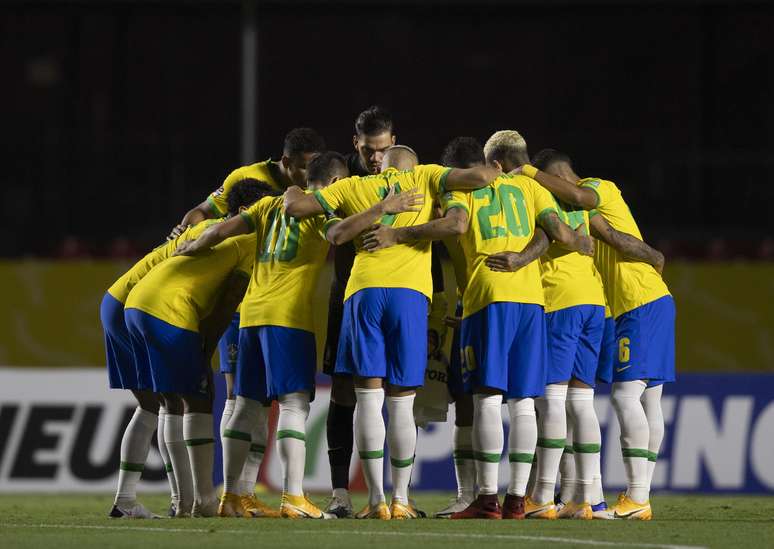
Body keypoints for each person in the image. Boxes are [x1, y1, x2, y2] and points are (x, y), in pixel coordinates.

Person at [178, 151, 422, 519]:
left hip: (251, 317)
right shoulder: (320, 212)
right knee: (293, 405)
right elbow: (340, 234)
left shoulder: (267, 206)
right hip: (288, 319)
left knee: (245, 406)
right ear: (337, 184)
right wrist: (381, 209)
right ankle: (293, 496)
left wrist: (191, 245)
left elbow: (219, 229)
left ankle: (230, 495)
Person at [361, 131, 592, 520]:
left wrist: (400, 233)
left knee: (485, 397)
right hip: (531, 300)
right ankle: (520, 500)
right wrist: (524, 258)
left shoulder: (459, 192)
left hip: (487, 297)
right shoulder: (529, 187)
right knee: (521, 401)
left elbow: (457, 226)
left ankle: (486, 500)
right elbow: (555, 233)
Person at [285, 145, 502, 519]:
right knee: (401, 402)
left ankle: (375, 502)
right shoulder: (428, 176)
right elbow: (481, 177)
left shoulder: (352, 186)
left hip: (363, 293)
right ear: (414, 165)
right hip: (410, 297)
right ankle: (401, 499)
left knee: (367, 400)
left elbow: (298, 208)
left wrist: (372, 209)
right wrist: (503, 169)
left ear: (382, 164)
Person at [168, 128, 327, 506]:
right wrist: (184, 232)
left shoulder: (285, 200)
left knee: (252, 403)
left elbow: (220, 228)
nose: (308, 175)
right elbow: (205, 213)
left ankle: (242, 493)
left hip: (255, 304)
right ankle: (240, 491)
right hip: (247, 304)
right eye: (303, 168)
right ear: (286, 163)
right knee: (244, 399)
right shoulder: (248, 180)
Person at [102, 180, 268, 519]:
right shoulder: (249, 238)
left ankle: (166, 500)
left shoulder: (207, 227)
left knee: (162, 403)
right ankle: (199, 500)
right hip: (156, 307)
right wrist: (206, 345)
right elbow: (228, 299)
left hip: (131, 303)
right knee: (193, 399)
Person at [523, 150, 672, 521]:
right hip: (631, 306)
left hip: (638, 302)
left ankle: (638, 496)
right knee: (649, 401)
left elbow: (583, 203)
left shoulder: (595, 188)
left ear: (556, 174)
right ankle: (636, 496)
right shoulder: (582, 214)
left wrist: (525, 170)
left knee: (624, 396)